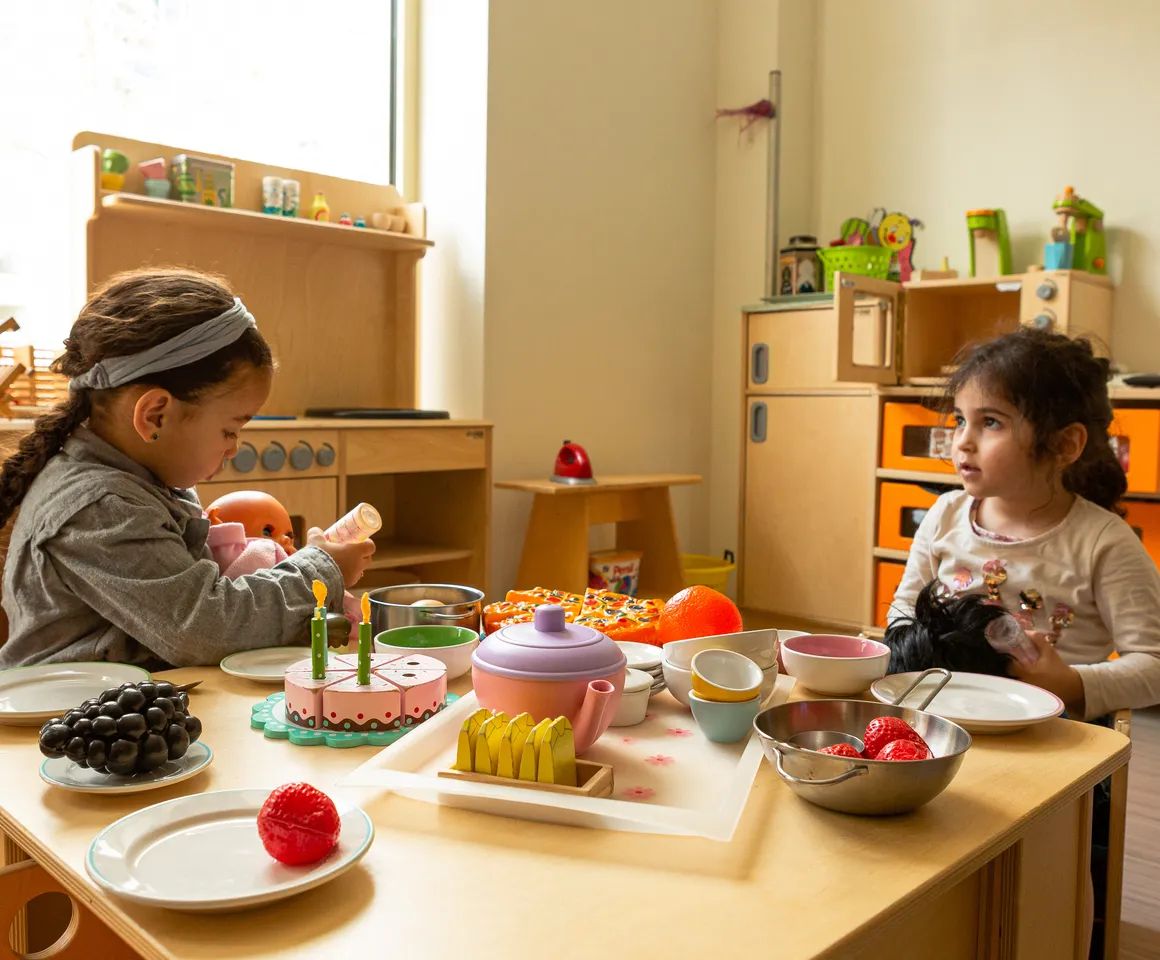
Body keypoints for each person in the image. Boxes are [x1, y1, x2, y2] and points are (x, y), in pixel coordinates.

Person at [889, 327, 1160, 960]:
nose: (961, 441)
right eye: (960, 420)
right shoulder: (945, 516)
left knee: (1043, 874)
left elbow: (1154, 665)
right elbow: (902, 612)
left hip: (1052, 747)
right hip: (943, 724)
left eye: (990, 422)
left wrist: (1072, 683)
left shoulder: (1103, 543)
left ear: (1064, 444)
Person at [0, 269, 375, 669]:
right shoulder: (100, 507)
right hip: (69, 706)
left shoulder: (140, 481)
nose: (233, 448)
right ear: (155, 415)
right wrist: (321, 569)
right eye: (230, 430)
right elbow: (208, 627)